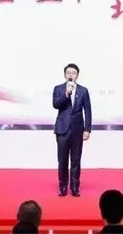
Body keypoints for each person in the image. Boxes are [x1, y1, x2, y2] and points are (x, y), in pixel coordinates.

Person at [52, 62, 92, 197]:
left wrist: (87, 129)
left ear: (77, 75)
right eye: (68, 73)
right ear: (65, 75)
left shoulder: (83, 91)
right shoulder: (58, 88)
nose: (71, 75)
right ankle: (63, 187)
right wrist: (66, 93)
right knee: (62, 160)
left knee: (76, 160)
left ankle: (75, 187)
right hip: (62, 130)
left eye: (74, 73)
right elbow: (55, 104)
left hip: (77, 130)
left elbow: (88, 110)